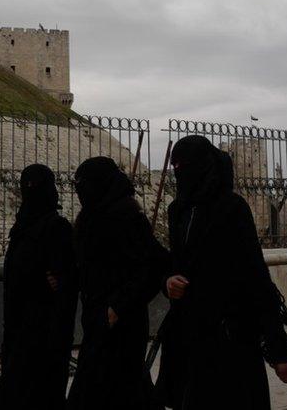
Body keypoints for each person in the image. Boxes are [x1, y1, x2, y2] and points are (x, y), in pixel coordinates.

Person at [155, 135, 287, 409]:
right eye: (175, 166)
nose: (178, 171)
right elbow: (175, 265)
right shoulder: (178, 210)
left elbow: (256, 279)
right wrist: (167, 281)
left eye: (183, 165)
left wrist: (279, 348)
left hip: (229, 336)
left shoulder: (231, 209)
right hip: (188, 335)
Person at [67, 157, 168, 410]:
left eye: (84, 185)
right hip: (96, 319)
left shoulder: (127, 217)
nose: (80, 191)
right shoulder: (91, 217)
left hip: (122, 324)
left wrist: (118, 306)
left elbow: (152, 266)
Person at [0, 164, 77, 410]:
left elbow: (70, 277)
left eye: (35, 186)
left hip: (44, 337)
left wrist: (63, 282)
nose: (30, 190)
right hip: (17, 331)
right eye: (26, 185)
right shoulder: (22, 226)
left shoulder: (57, 228)